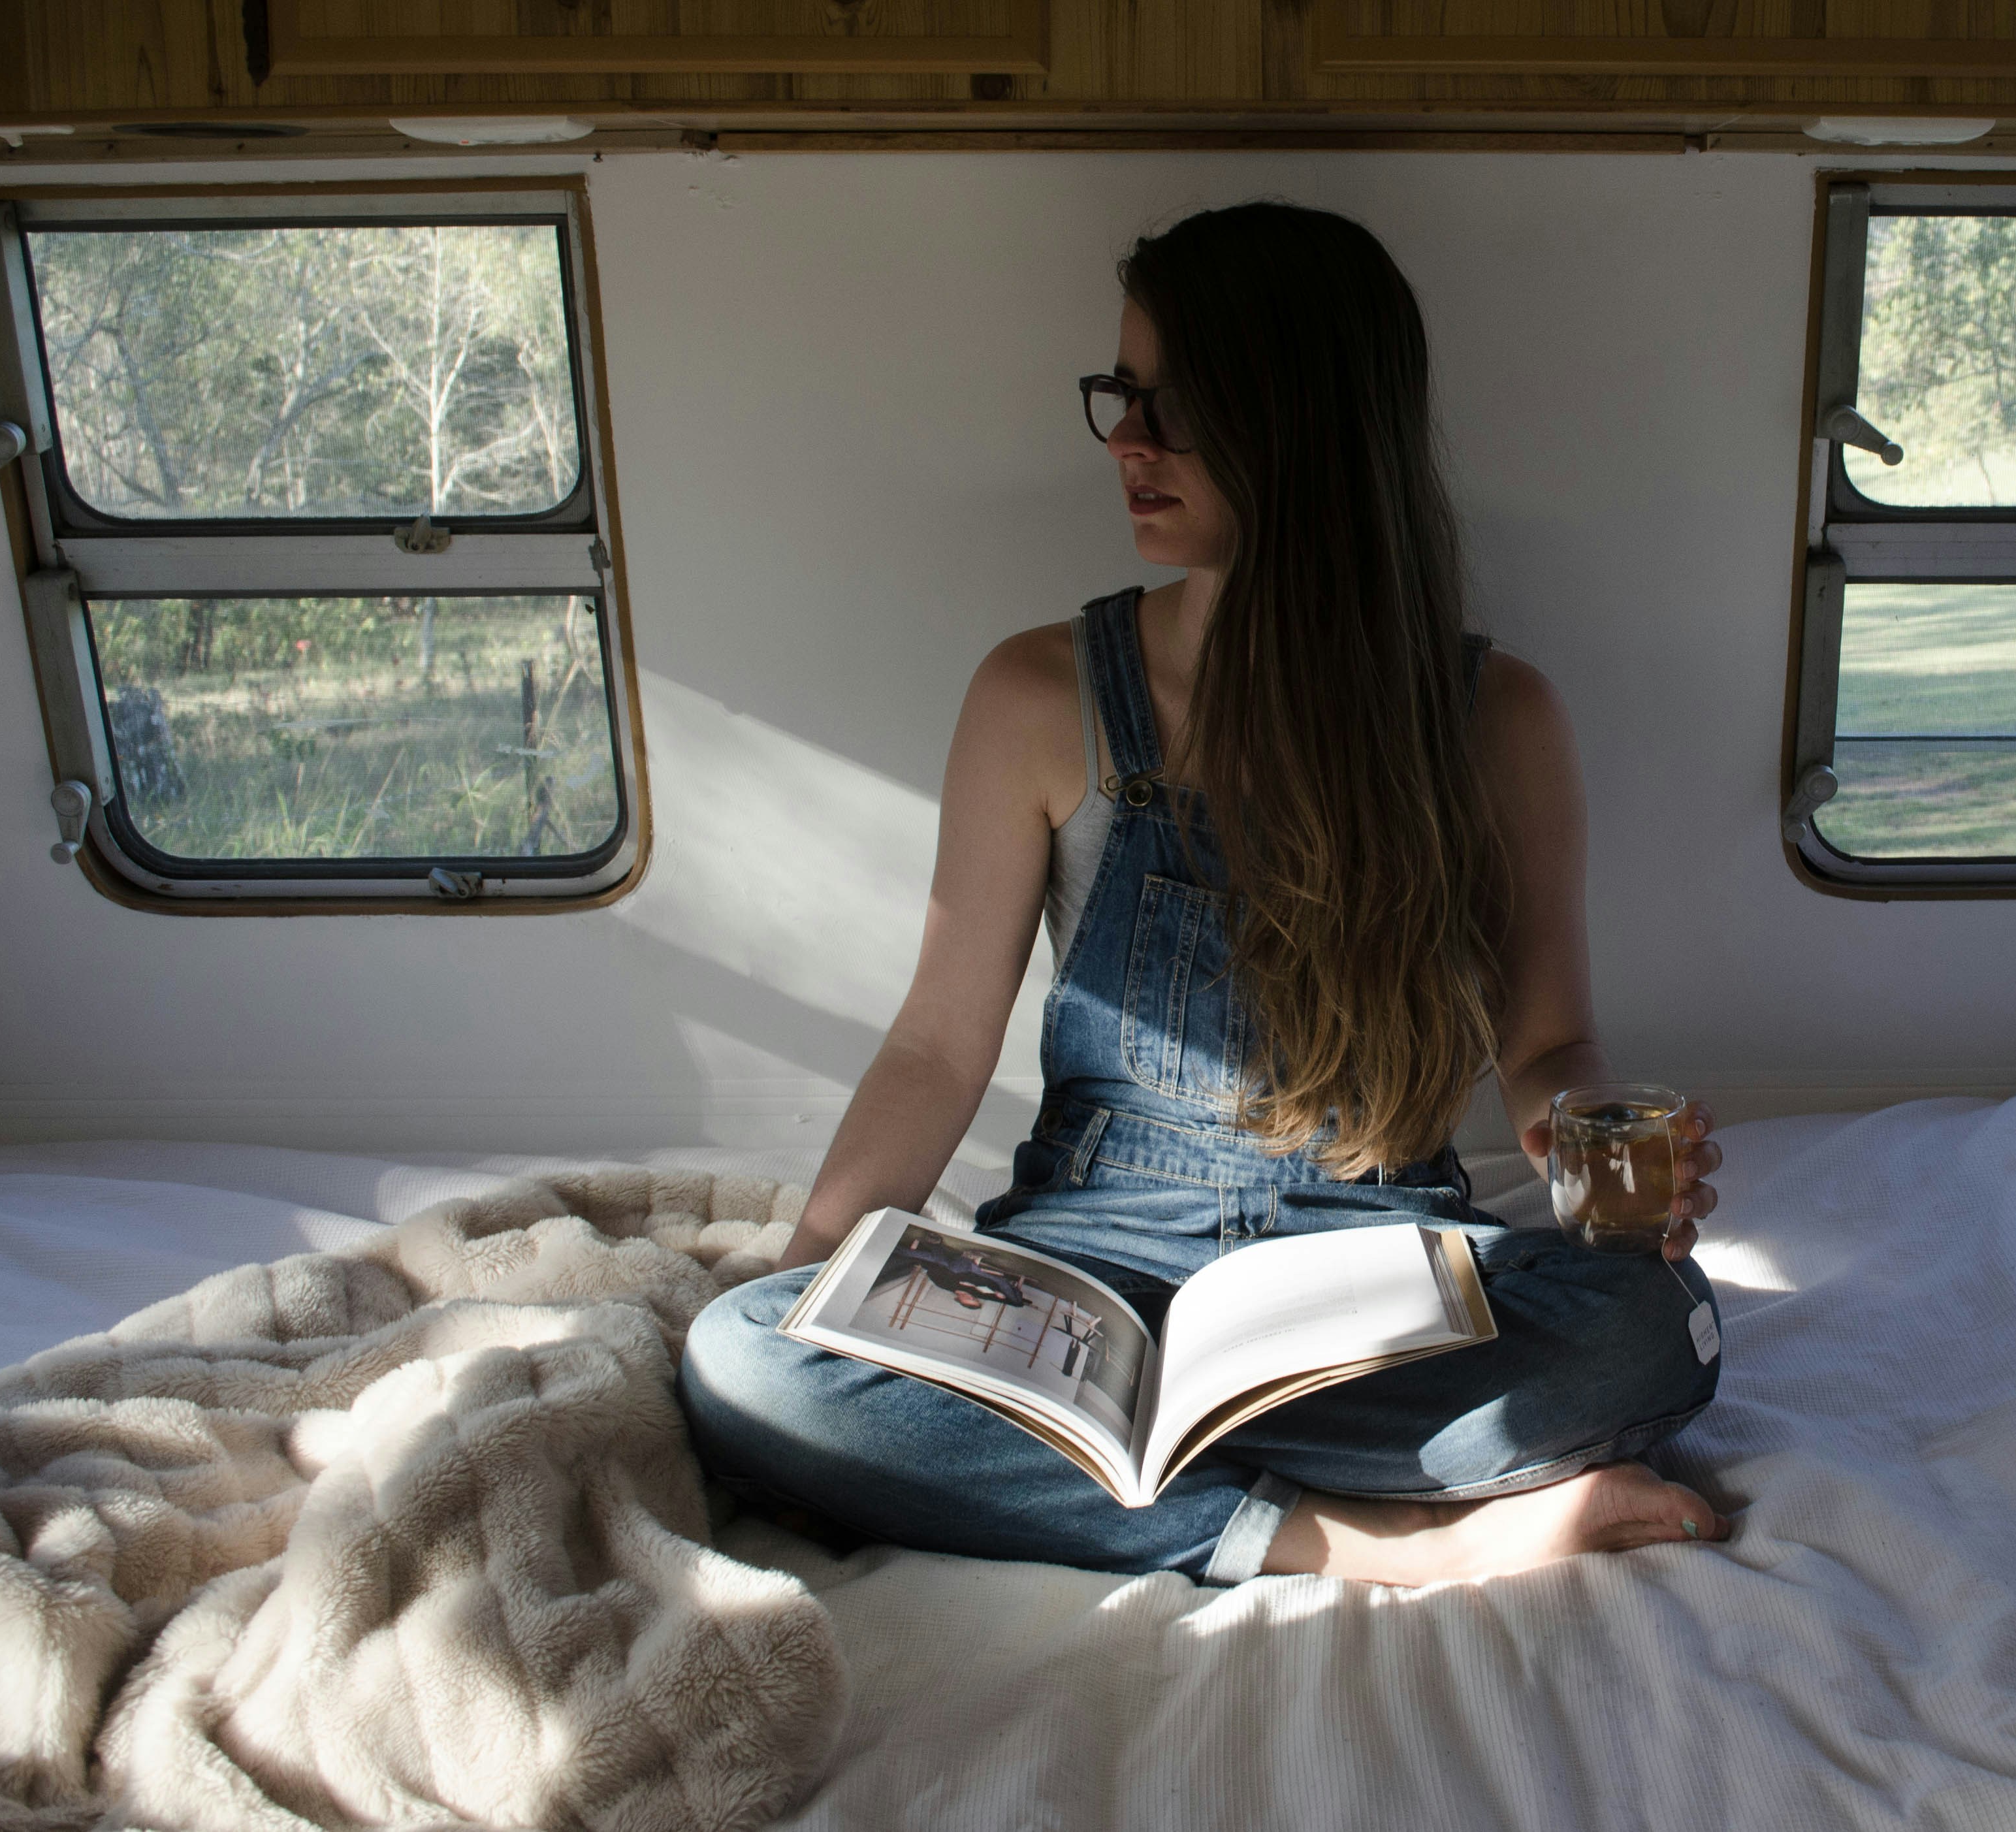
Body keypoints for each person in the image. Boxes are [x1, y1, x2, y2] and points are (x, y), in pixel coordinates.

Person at [680, 202, 1727, 1586]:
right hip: (1089, 1262)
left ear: (1304, 428)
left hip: (1374, 1262)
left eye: (1179, 407)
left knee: (1659, 1328)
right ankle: (1362, 1541)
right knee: (743, 1363)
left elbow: (1546, 1045)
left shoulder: (1495, 719)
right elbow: (938, 1045)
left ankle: (1112, 1477)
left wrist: (1598, 1170)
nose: (1129, 439)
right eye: (1123, 395)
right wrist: (804, 1276)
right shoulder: (1039, 694)